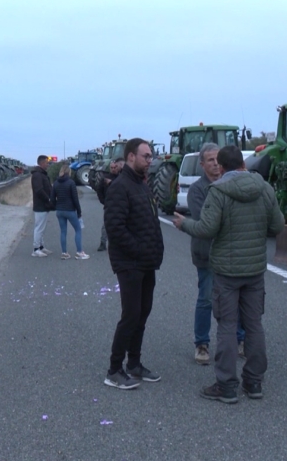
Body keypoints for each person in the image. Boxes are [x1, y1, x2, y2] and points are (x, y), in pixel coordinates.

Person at [173, 145, 284, 403]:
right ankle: (254, 382)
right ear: (243, 164)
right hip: (255, 269)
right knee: (254, 325)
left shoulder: (219, 190)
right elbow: (277, 225)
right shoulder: (264, 188)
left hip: (226, 271)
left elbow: (207, 228)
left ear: (221, 167)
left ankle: (226, 385)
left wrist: (184, 224)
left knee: (227, 326)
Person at [103, 139, 165, 390]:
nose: (150, 160)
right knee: (130, 316)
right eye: (146, 156)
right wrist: (139, 250)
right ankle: (114, 369)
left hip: (146, 262)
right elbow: (115, 228)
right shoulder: (120, 187)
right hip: (130, 263)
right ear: (131, 157)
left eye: (151, 156)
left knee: (142, 314)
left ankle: (134, 364)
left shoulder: (141, 185)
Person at [185, 144, 245, 365]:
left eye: (218, 159)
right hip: (207, 254)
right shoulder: (198, 190)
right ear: (202, 164)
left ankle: (240, 339)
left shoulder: (232, 184)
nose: (215, 164)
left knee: (236, 298)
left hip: (230, 254)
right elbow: (206, 221)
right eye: (210, 160)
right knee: (206, 299)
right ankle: (201, 343)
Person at [53, 165, 87, 260]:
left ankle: (64, 253)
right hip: (70, 210)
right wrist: (79, 212)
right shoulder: (71, 183)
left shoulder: (56, 183)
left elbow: (52, 199)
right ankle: (79, 252)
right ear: (69, 172)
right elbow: (75, 199)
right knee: (78, 230)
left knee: (63, 231)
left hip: (59, 211)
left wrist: (57, 205)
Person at [93, 158, 125, 252]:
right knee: (106, 225)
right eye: (112, 167)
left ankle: (118, 244)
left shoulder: (122, 178)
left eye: (115, 167)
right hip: (109, 206)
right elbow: (99, 191)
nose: (113, 169)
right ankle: (103, 243)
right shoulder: (105, 178)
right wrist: (103, 201)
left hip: (120, 205)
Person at [30, 155, 54, 257]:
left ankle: (41, 247)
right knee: (39, 227)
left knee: (41, 227)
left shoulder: (42, 174)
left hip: (44, 205)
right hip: (40, 205)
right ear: (41, 163)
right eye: (46, 163)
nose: (48, 165)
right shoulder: (37, 175)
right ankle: (36, 249)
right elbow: (39, 190)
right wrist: (48, 199)